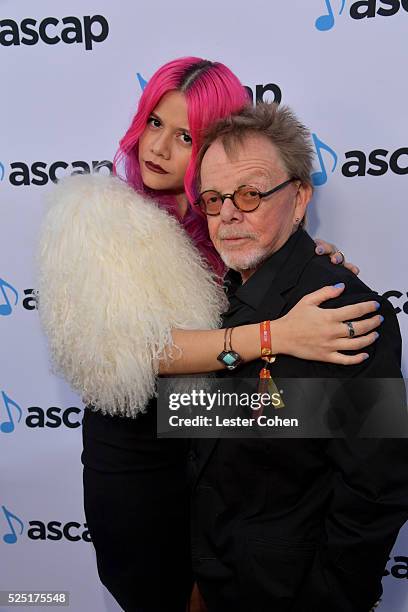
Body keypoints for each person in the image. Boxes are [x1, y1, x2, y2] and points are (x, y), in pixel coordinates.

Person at [38, 58, 381, 612]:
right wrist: (276, 334)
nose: (158, 148)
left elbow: (365, 454)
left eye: (184, 136)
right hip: (140, 466)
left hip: (211, 467)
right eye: (154, 122)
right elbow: (133, 353)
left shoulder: (222, 233)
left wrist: (308, 262)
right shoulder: (96, 217)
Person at [189, 101, 408, 612]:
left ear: (300, 197)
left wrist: (327, 598)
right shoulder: (210, 298)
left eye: (249, 194)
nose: (227, 215)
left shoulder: (346, 313)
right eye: (214, 198)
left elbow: (374, 489)